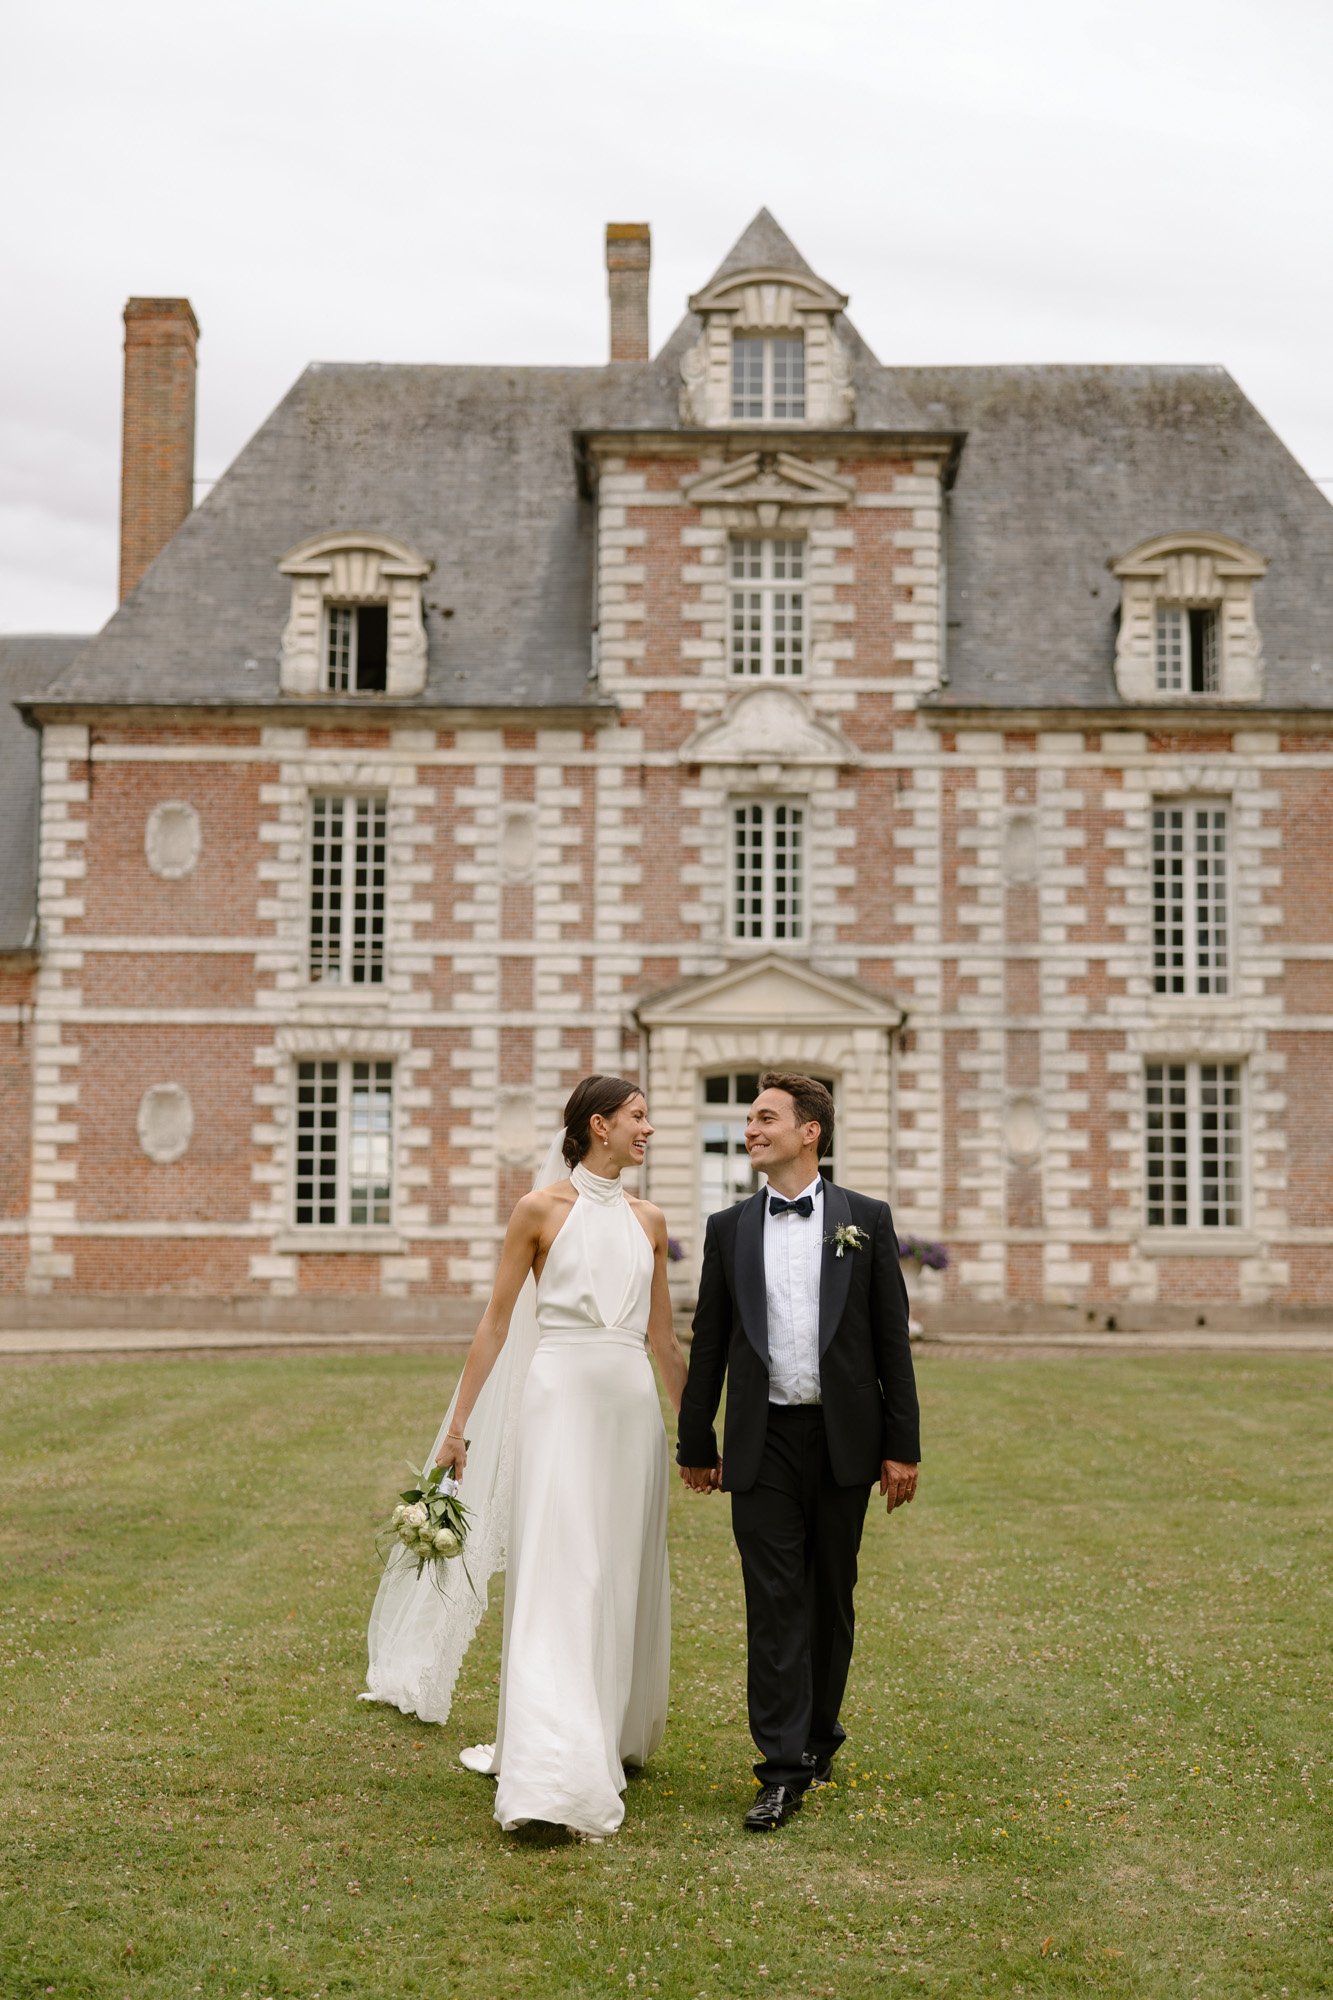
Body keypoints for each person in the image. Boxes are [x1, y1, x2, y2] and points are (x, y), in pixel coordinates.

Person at [363, 1076, 687, 1840]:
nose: (649, 1130)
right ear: (598, 1125)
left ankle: (608, 1723)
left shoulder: (650, 1220)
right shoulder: (538, 1210)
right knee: (561, 1566)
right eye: (639, 1118)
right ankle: (549, 1765)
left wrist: (701, 1434)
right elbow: (494, 1326)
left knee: (620, 1564)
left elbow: (664, 1340)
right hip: (558, 1401)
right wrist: (458, 1428)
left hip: (631, 1411)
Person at [677, 1071, 920, 1831]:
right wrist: (695, 1439)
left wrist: (901, 1446)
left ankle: (818, 1739)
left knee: (828, 1599)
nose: (749, 1130)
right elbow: (709, 1341)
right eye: (748, 1120)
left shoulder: (866, 1221)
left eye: (763, 1118)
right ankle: (779, 1769)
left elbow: (890, 1344)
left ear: (808, 1131)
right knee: (773, 1603)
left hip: (844, 1441)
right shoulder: (728, 1229)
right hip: (762, 1442)